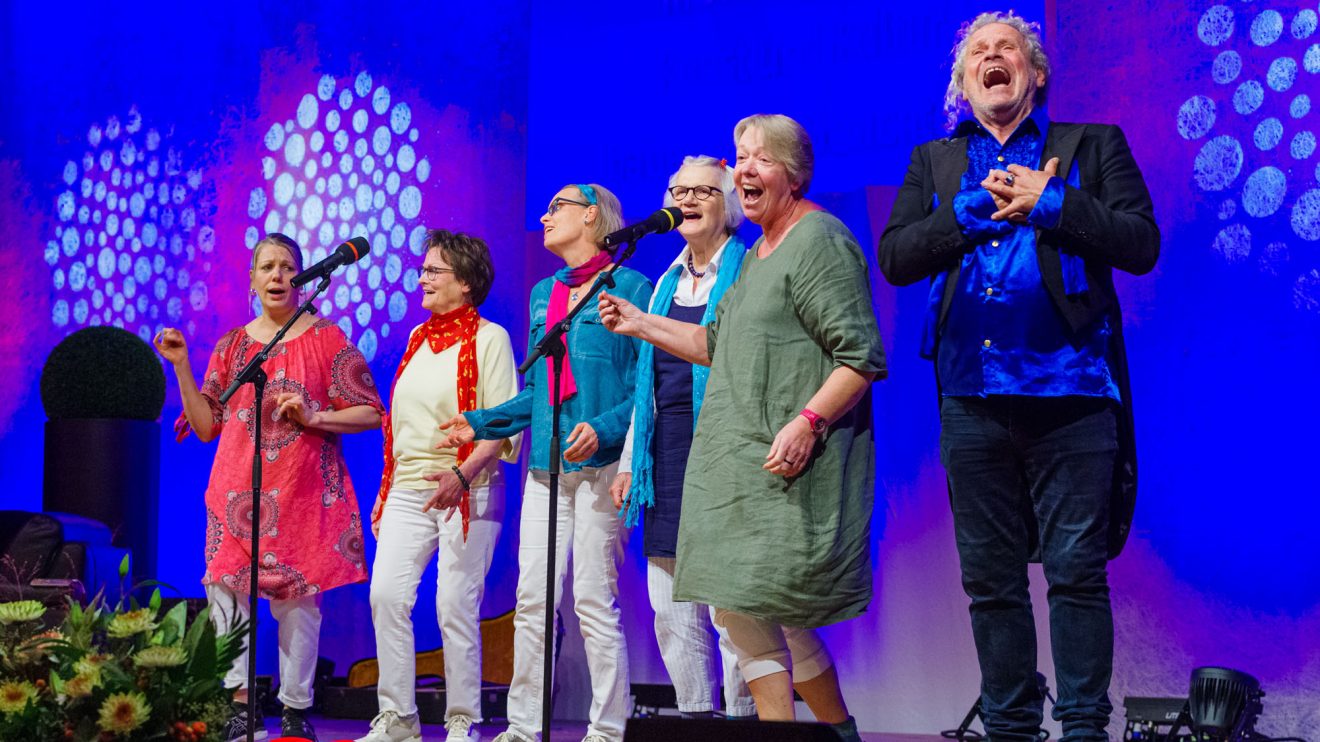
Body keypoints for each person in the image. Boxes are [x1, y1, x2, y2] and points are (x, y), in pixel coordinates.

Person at [877, 11, 1159, 741]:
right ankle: (1009, 728)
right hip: (971, 397)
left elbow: (1140, 243)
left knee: (1075, 572)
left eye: (1009, 49)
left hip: (1072, 393)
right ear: (964, 82)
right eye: (979, 52)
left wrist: (1051, 202)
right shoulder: (936, 162)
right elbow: (898, 258)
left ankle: (1085, 728)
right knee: (991, 580)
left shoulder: (1091, 146)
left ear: (1035, 75)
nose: (992, 58)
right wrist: (972, 209)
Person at [599, 114, 885, 742]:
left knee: (764, 608)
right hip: (735, 469)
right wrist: (639, 324)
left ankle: (836, 731)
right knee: (740, 607)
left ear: (793, 173)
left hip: (782, 467)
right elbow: (713, 341)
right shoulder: (757, 255)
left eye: (760, 158)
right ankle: (801, 735)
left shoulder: (820, 241)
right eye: (740, 157)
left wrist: (808, 421)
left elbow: (860, 356)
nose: (744, 169)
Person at [439, 184, 652, 742]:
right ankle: (523, 726)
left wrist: (603, 428)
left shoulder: (631, 285)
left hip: (602, 467)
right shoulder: (544, 294)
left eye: (556, 207)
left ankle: (606, 730)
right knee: (532, 599)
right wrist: (482, 422)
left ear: (591, 215)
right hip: (544, 468)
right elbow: (538, 388)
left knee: (591, 599)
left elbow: (643, 389)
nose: (544, 216)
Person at [154, 232, 384, 742]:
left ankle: (296, 708)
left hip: (304, 493)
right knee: (226, 596)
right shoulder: (234, 346)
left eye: (287, 267)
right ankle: (239, 702)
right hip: (237, 492)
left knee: (299, 605)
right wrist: (182, 368)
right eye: (267, 268)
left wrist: (315, 415)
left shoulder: (327, 339)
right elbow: (206, 425)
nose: (277, 276)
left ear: (301, 279)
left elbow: (371, 410)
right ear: (253, 280)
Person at [356, 230, 521, 742]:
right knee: (386, 596)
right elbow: (398, 427)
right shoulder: (416, 338)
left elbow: (503, 424)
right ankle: (399, 718)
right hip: (409, 486)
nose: (422, 278)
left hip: (469, 485)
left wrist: (461, 474)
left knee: (454, 603)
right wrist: (385, 490)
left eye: (435, 271)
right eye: (423, 269)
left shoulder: (489, 338)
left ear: (467, 283)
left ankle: (462, 720)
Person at [609, 155, 756, 721]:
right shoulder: (664, 281)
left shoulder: (744, 271)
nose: (688, 200)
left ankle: (745, 718)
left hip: (725, 451)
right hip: (666, 454)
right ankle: (696, 715)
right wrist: (629, 461)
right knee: (669, 605)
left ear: (730, 206)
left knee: (731, 606)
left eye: (703, 192)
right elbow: (646, 385)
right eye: (679, 190)